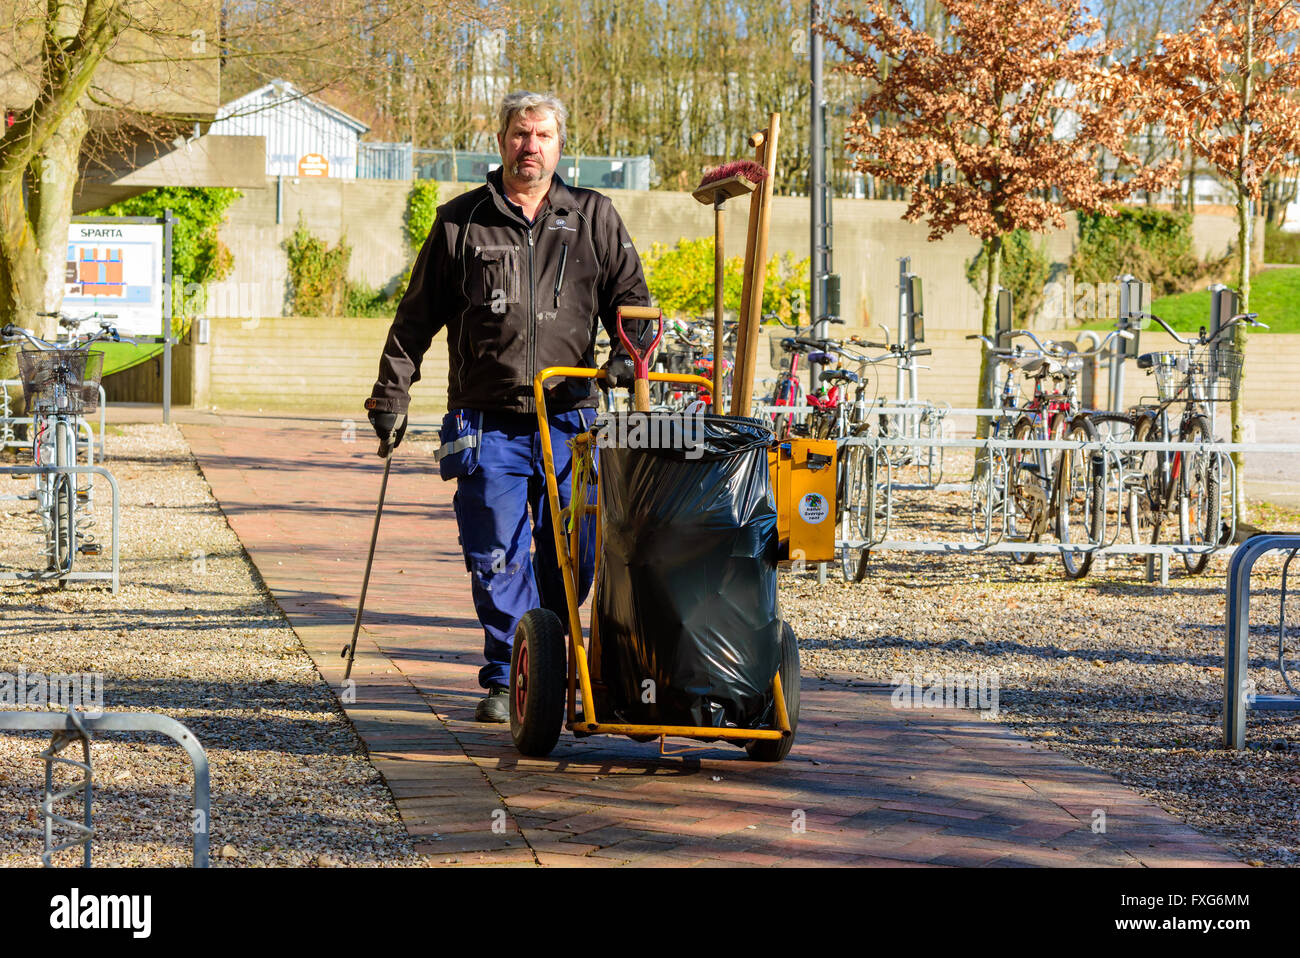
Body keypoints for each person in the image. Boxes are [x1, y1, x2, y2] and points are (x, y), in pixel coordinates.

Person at [365, 91, 653, 722]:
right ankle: (512, 674)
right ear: (501, 141)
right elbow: (414, 320)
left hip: (570, 418)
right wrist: (391, 393)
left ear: (559, 145)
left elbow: (635, 307)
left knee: (570, 554)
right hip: (484, 419)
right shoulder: (460, 222)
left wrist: (626, 361)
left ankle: (545, 666)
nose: (532, 145)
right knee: (494, 551)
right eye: (521, 134)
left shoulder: (593, 218)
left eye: (543, 135)